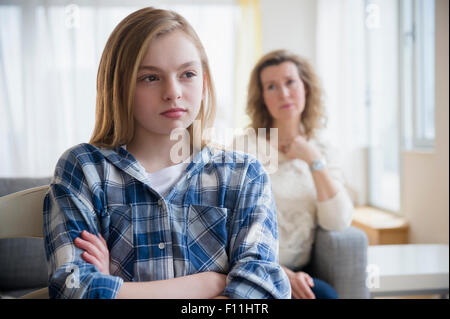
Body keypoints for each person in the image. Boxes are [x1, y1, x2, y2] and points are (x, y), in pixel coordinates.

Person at [43, 8, 291, 299]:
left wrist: (118, 289)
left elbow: (263, 289)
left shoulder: (244, 175)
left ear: (205, 82)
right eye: (150, 78)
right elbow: (73, 289)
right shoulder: (83, 168)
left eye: (187, 74)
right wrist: (208, 284)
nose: (173, 92)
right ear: (119, 86)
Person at [233, 50, 354, 299]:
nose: (284, 94)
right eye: (272, 87)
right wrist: (279, 271)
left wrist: (313, 160)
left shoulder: (324, 150)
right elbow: (232, 224)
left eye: (290, 82)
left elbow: (338, 221)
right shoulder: (245, 147)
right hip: (253, 266)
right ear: (262, 97)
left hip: (302, 269)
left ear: (306, 87)